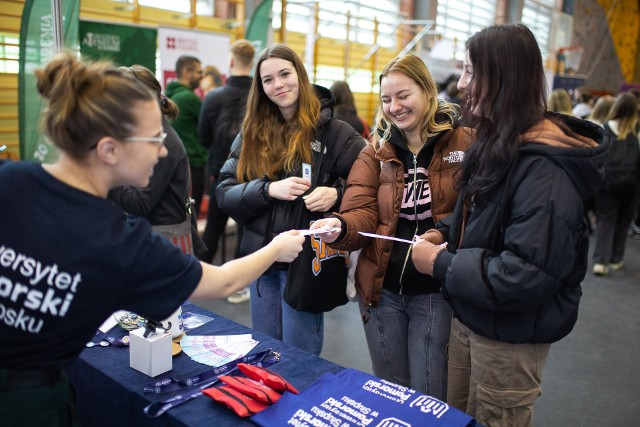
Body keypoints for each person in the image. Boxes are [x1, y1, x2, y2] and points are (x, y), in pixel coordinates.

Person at [0, 52, 304, 426]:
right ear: (110, 148)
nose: (163, 149)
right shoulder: (121, 244)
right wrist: (277, 248)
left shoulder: (10, 180)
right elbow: (224, 281)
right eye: (154, 138)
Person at [409, 24, 609, 426]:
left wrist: (440, 264)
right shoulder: (497, 142)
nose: (462, 83)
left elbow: (524, 274)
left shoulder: (544, 171)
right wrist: (445, 234)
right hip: (472, 317)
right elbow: (482, 216)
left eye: (470, 72)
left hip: (509, 338)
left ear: (501, 78)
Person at [310, 54, 471, 400]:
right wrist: (338, 226)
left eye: (403, 95)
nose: (394, 107)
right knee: (390, 392)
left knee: (430, 395)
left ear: (427, 91)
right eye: (386, 99)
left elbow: (470, 212)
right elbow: (360, 211)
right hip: (381, 294)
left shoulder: (465, 144)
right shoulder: (375, 153)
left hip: (434, 292)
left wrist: (444, 239)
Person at [216, 44, 365, 355]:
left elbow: (369, 185)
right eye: (268, 80)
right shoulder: (251, 134)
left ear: (300, 74)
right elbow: (224, 192)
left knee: (300, 359)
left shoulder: (336, 133)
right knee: (265, 354)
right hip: (261, 260)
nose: (278, 85)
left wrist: (336, 194)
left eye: (285, 74)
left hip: (306, 264)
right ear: (260, 87)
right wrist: (268, 189)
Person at [109, 65, 205, 256]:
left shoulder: (163, 142)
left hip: (161, 244)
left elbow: (140, 202)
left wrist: (105, 176)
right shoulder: (149, 134)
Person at [198, 39, 256, 304]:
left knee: (213, 225)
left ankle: (199, 280)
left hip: (221, 173)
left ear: (231, 63)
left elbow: (203, 138)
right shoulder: (261, 97)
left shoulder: (212, 97)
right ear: (252, 62)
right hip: (256, 175)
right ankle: (239, 284)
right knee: (247, 228)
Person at [592, 92, 640, 275]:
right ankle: (616, 258)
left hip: (606, 184)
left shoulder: (603, 129)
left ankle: (600, 261)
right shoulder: (636, 131)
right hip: (631, 185)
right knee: (623, 222)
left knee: (605, 220)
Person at [165, 55, 208, 217]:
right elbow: (208, 126)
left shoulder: (169, 95)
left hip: (177, 162)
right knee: (191, 215)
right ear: (186, 72)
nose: (202, 75)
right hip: (193, 164)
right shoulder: (189, 98)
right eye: (198, 72)